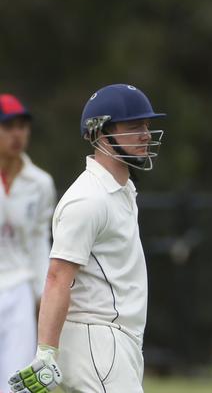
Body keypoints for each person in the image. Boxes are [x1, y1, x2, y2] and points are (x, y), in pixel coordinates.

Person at [8, 84, 165, 393]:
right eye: (134, 126)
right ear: (101, 134)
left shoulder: (123, 190)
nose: (146, 134)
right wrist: (46, 352)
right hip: (97, 342)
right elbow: (57, 277)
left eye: (147, 125)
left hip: (119, 342)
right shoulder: (87, 199)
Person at [0, 94, 56, 393]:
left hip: (19, 287)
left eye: (22, 126)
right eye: (8, 126)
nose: (17, 134)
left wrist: (41, 295)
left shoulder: (40, 183)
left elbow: (38, 240)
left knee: (16, 382)